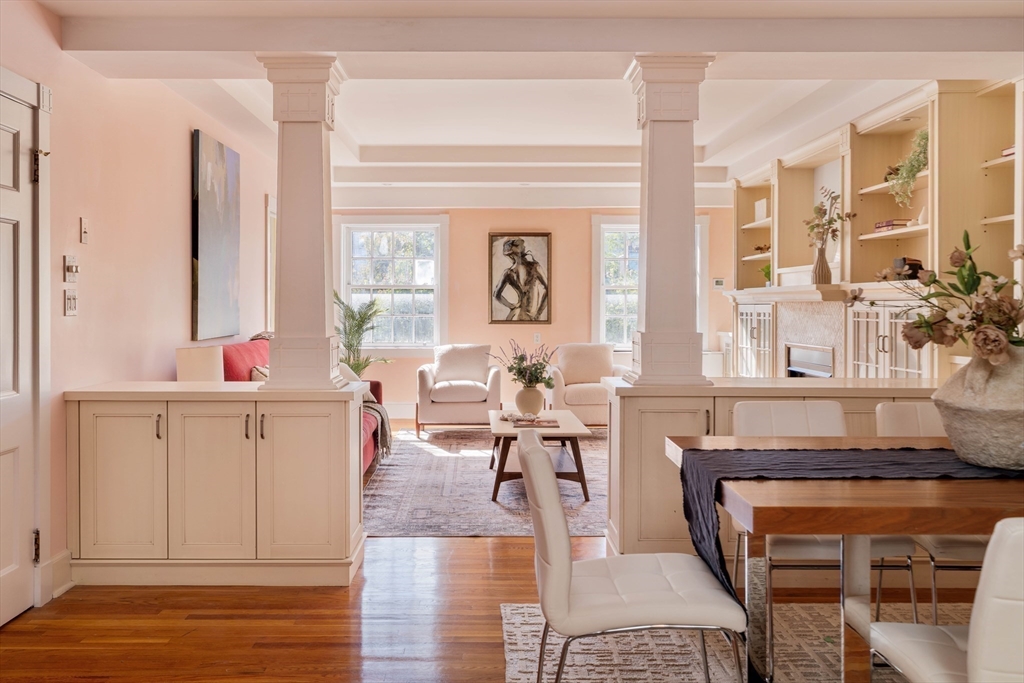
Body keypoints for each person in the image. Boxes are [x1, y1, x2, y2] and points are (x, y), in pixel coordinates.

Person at [493, 237, 548, 321]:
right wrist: (538, 313)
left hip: (517, 314)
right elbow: (549, 290)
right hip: (529, 315)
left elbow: (497, 295)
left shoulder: (508, 272)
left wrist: (512, 306)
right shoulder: (535, 267)